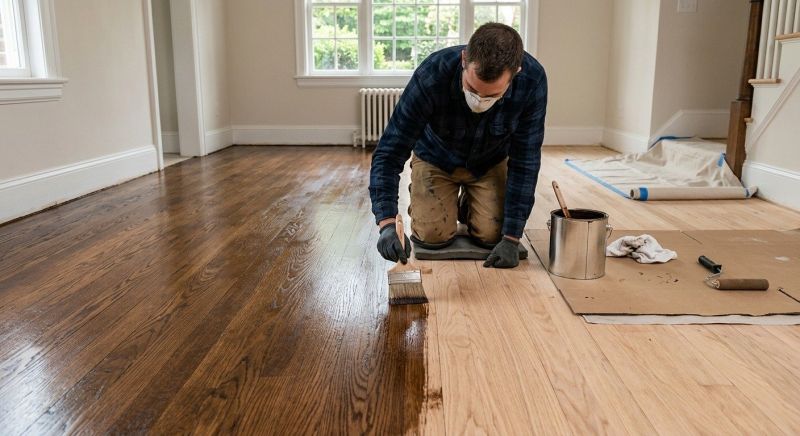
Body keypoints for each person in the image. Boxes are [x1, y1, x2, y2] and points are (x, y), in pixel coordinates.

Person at [369, 22, 547, 269]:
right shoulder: (431, 74)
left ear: (516, 72)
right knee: (431, 237)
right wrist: (386, 223)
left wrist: (512, 237)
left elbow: (526, 161)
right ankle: (447, 199)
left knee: (491, 238)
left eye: (492, 95)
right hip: (435, 157)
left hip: (490, 161)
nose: (479, 100)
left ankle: (468, 205)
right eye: (472, 89)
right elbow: (390, 151)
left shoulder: (532, 81)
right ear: (464, 59)